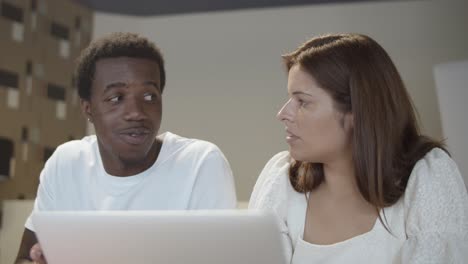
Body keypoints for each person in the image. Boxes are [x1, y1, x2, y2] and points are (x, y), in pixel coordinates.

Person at [15, 32, 237, 264]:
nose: (137, 113)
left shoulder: (200, 163)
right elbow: (24, 258)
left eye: (150, 96)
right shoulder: (66, 163)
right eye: (116, 98)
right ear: (88, 108)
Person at [249, 33, 468, 263]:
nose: (283, 114)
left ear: (356, 110)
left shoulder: (428, 177)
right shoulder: (280, 182)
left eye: (302, 102)